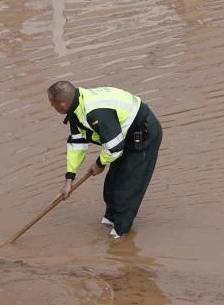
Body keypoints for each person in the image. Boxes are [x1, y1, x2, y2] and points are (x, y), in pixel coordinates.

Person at [46, 81, 163, 240]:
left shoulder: (95, 112)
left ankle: (120, 239)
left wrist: (99, 163)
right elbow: (77, 145)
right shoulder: (75, 108)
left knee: (126, 191)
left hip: (142, 134)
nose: (53, 108)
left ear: (62, 104)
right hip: (121, 136)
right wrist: (69, 180)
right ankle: (109, 224)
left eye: (52, 105)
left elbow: (114, 148)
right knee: (111, 187)